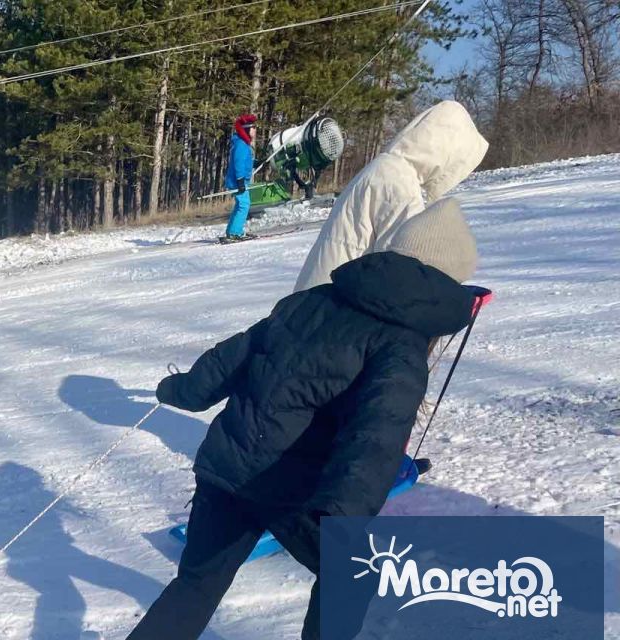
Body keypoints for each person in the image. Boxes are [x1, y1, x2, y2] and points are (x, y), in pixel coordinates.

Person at [128, 197, 480, 640]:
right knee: (354, 576)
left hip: (226, 468)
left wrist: (177, 389)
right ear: (445, 285)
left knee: (197, 583)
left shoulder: (312, 299)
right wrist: (342, 519)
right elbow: (376, 439)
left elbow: (225, 364)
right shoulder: (403, 346)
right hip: (289, 491)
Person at [294, 100, 488, 291]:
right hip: (336, 310)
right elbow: (405, 265)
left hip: (320, 300)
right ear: (446, 155)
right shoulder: (397, 183)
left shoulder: (386, 169)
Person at [222, 113, 257, 242]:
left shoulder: (243, 144)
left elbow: (245, 161)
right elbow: (238, 163)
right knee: (244, 205)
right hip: (238, 181)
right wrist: (240, 180)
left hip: (240, 180)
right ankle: (235, 232)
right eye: (253, 128)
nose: (255, 130)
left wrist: (256, 162)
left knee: (240, 205)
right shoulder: (241, 144)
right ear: (247, 129)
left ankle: (232, 231)